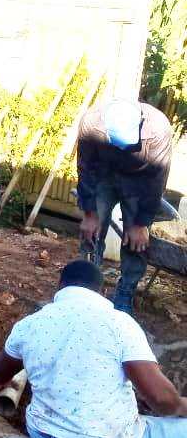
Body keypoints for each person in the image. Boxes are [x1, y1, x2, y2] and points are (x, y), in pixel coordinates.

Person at [0, 259, 187, 438]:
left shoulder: (29, 324)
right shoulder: (119, 323)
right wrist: (182, 407)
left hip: (41, 435)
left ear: (60, 286)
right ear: (102, 291)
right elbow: (163, 401)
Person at [76, 99, 174, 315]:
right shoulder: (91, 123)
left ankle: (126, 290)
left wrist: (141, 223)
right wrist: (90, 212)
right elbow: (85, 168)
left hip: (139, 182)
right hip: (104, 175)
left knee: (136, 241)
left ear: (139, 123)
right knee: (91, 231)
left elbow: (157, 180)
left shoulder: (158, 128)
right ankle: (86, 286)